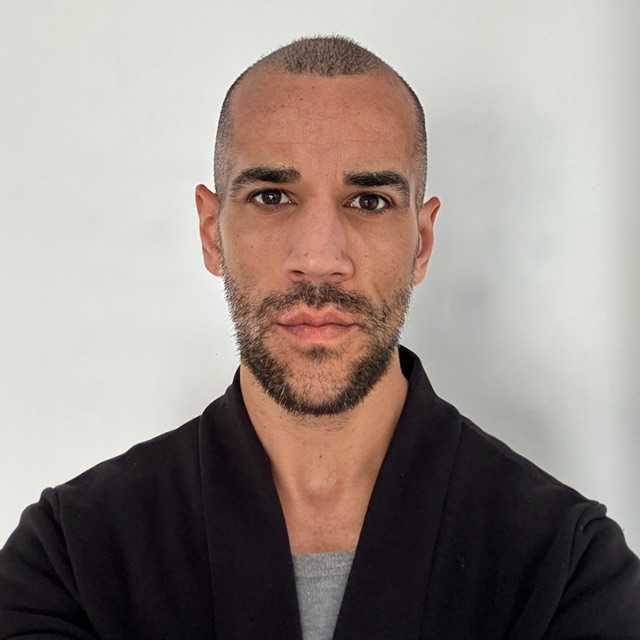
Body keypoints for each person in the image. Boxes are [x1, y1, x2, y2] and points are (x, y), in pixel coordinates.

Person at [0, 35, 638, 640]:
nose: (319, 259)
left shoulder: (566, 568)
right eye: (272, 196)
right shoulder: (72, 560)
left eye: (369, 201)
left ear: (422, 242)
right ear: (211, 231)